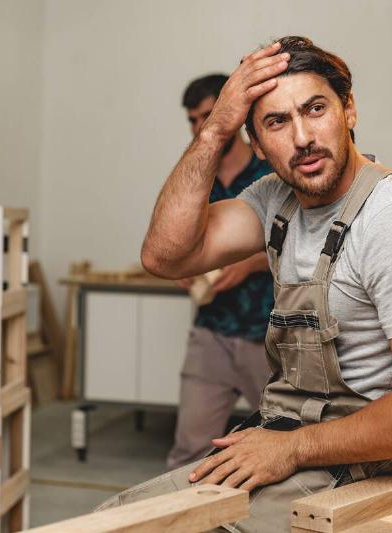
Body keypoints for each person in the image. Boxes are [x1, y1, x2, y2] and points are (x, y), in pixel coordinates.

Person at [101, 36, 392, 532]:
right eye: (277, 122)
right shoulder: (275, 200)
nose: (302, 138)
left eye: (315, 109)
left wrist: (292, 448)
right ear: (255, 143)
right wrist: (214, 130)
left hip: (364, 459)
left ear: (349, 109)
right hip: (287, 435)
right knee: (116, 520)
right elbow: (165, 256)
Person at [167, 74, 274, 469]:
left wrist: (250, 264)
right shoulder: (195, 178)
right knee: (189, 452)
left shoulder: (271, 172)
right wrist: (183, 266)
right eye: (193, 120)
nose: (200, 127)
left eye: (209, 116)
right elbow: (176, 243)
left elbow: (306, 245)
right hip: (211, 332)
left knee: (286, 444)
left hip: (269, 337)